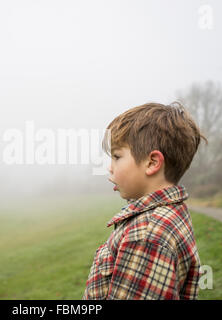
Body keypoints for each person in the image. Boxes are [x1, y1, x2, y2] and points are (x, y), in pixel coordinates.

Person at [82, 102, 207, 300]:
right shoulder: (171, 213)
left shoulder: (146, 235)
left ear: (152, 163)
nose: (110, 168)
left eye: (116, 156)